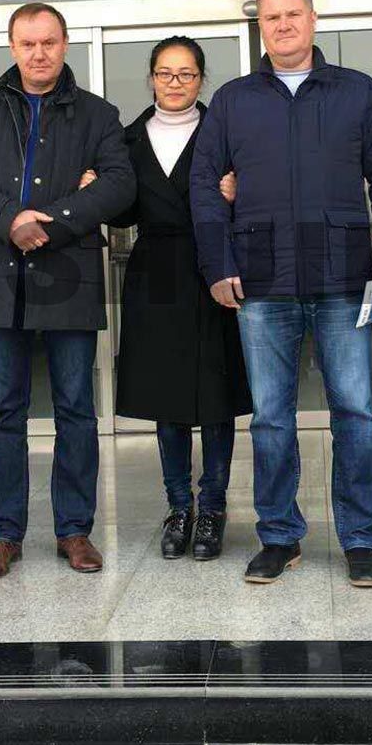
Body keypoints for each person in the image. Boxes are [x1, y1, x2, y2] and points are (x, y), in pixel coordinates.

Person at [190, 0, 372, 587]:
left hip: (344, 277)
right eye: (271, 17)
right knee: (270, 417)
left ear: (313, 19)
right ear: (259, 27)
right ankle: (279, 536)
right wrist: (218, 265)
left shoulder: (357, 92)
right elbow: (205, 186)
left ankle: (360, 540)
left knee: (355, 413)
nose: (283, 25)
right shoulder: (234, 100)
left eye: (293, 14)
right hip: (262, 281)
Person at [0, 2, 135, 581]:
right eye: (27, 43)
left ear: (65, 44)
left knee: (75, 408)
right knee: (4, 411)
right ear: (12, 47)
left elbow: (120, 184)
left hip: (69, 277)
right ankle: (4, 535)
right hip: (1, 279)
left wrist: (54, 220)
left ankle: (74, 530)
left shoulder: (98, 114)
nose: (39, 53)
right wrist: (9, 219)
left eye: (48, 42)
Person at [96, 37, 251, 561]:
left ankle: (213, 508)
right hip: (155, 270)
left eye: (186, 73)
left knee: (217, 394)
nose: (175, 83)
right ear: (151, 79)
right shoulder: (127, 140)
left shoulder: (223, 132)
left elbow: (259, 191)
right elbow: (122, 213)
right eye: (165, 73)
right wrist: (96, 188)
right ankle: (179, 506)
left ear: (201, 79)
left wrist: (239, 194)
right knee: (167, 396)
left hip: (214, 266)